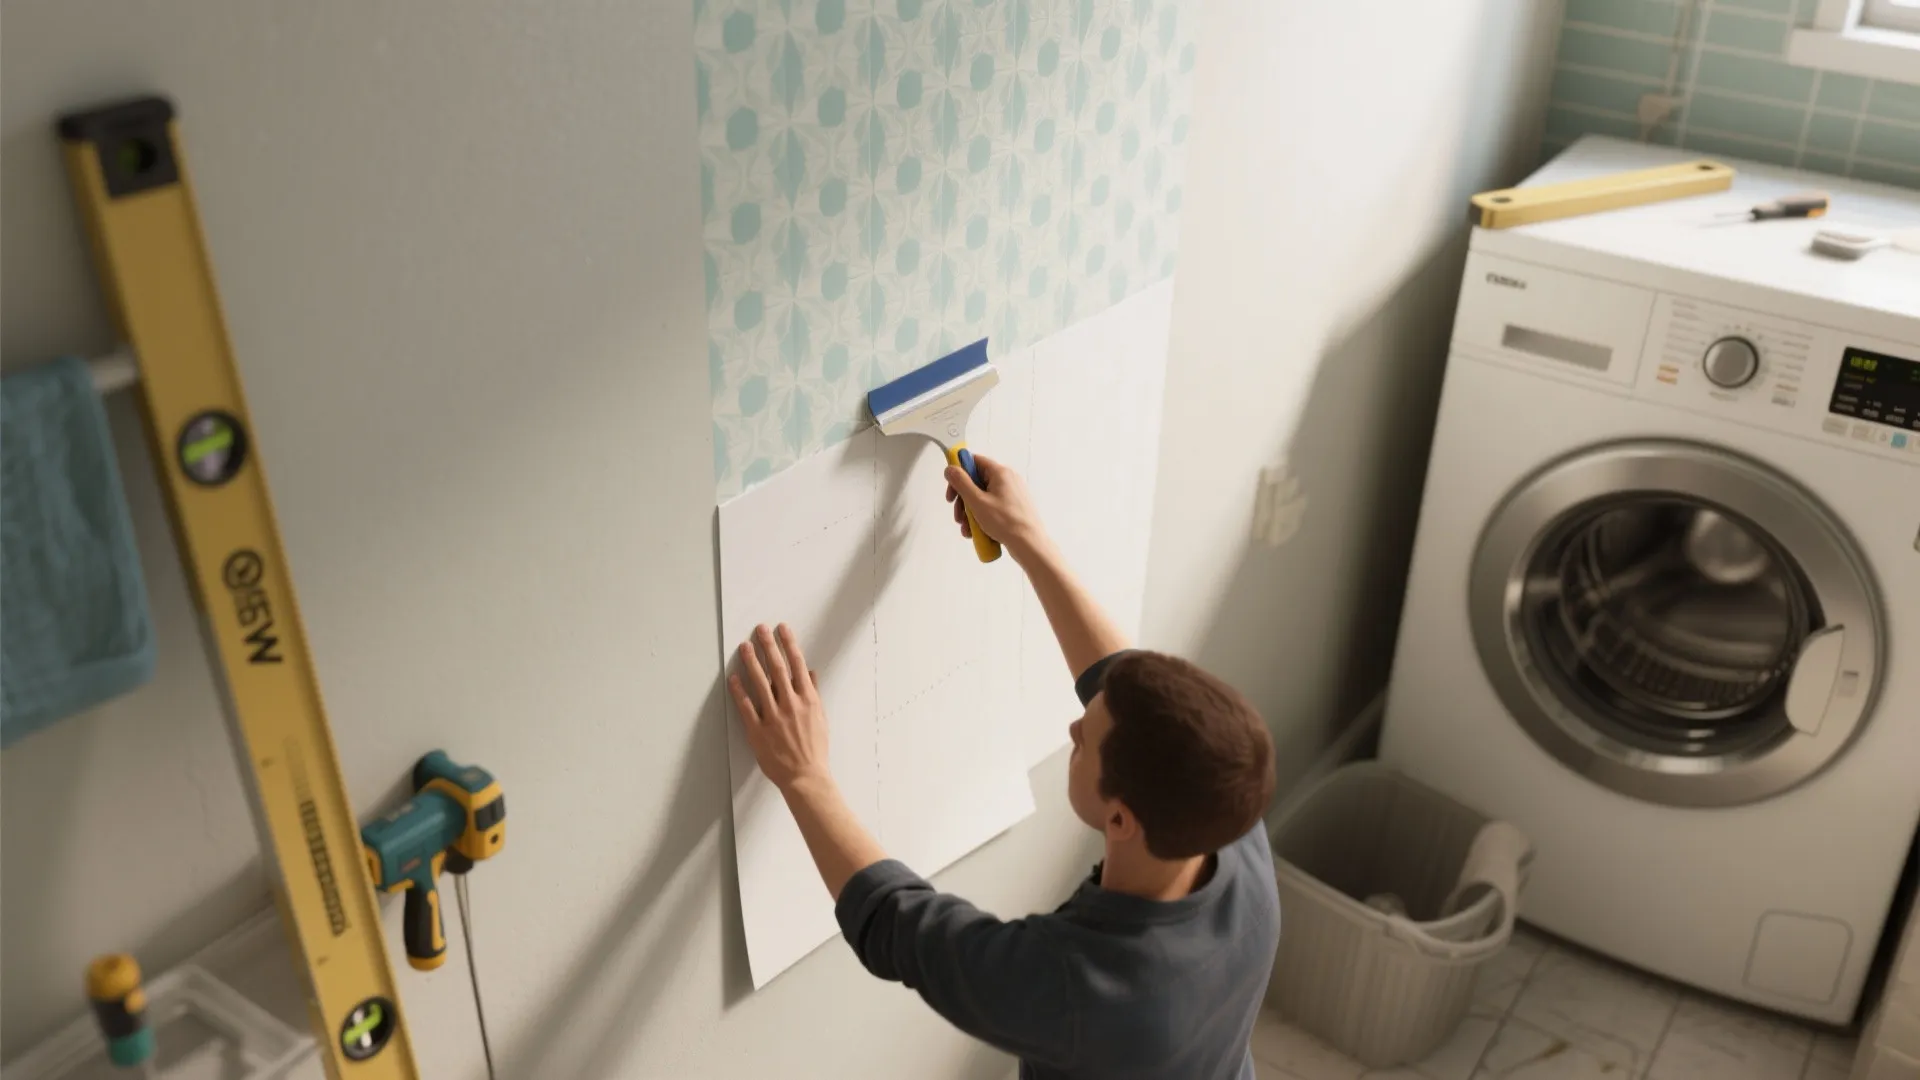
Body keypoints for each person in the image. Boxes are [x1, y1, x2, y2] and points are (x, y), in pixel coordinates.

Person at [727, 454, 1280, 1080]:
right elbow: (1118, 683)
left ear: (1120, 817)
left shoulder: (1080, 990)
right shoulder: (1230, 825)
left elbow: (900, 929)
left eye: (1084, 742)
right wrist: (1026, 537)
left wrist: (804, 776)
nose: (1075, 724)